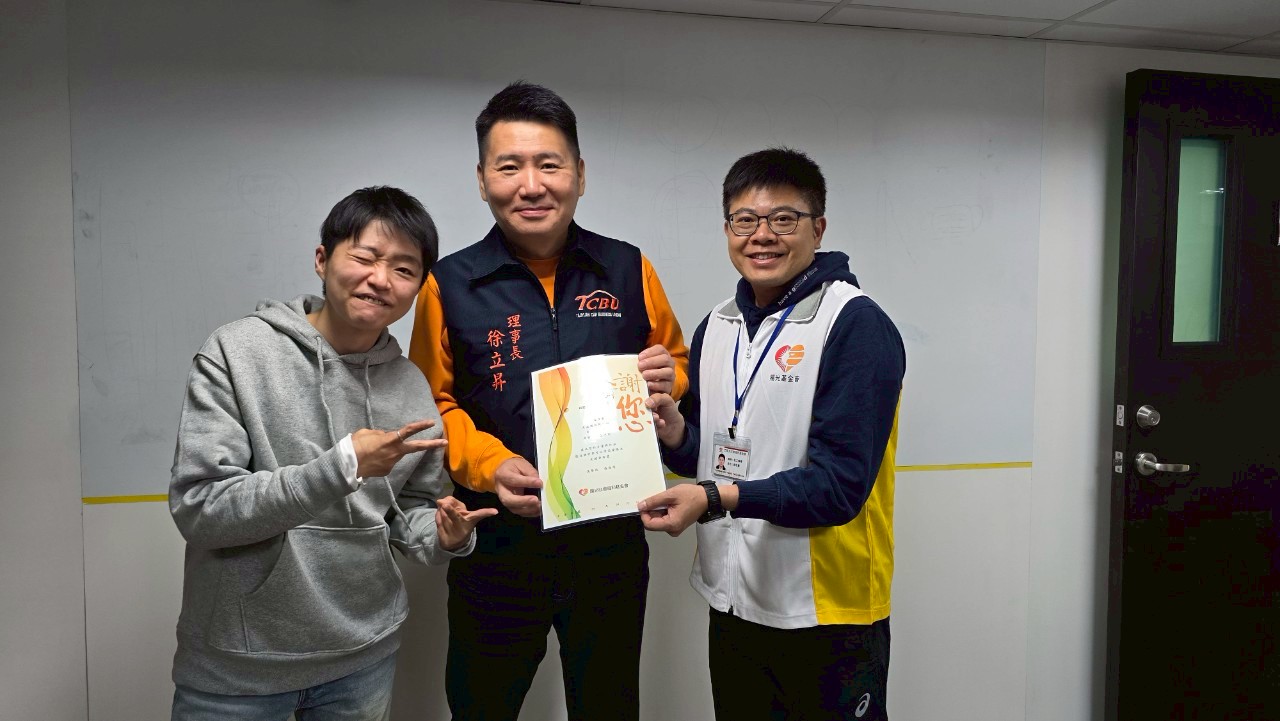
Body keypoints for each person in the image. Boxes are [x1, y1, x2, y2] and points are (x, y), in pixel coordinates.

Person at [408, 81, 689, 721]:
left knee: (609, 705)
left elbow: (674, 362)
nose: (531, 185)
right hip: (497, 541)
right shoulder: (448, 284)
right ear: (482, 180)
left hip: (611, 539)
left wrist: (668, 379)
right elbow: (432, 403)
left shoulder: (628, 268)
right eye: (509, 167)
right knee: (482, 704)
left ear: (580, 175)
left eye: (549, 165)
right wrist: (490, 466)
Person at [168, 186, 496, 720]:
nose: (380, 279)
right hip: (239, 667)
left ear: (418, 287)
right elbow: (201, 509)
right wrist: (341, 467)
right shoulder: (238, 352)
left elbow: (407, 512)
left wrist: (443, 536)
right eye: (364, 257)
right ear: (322, 260)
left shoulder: (411, 387)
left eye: (404, 269)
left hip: (364, 658)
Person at [638, 148, 906, 720]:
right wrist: (677, 433)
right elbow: (712, 458)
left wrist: (713, 497)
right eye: (745, 220)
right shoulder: (718, 325)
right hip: (734, 602)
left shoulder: (854, 324)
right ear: (727, 230)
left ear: (818, 228)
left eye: (783, 219)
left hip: (827, 614)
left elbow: (838, 488)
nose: (762, 235)